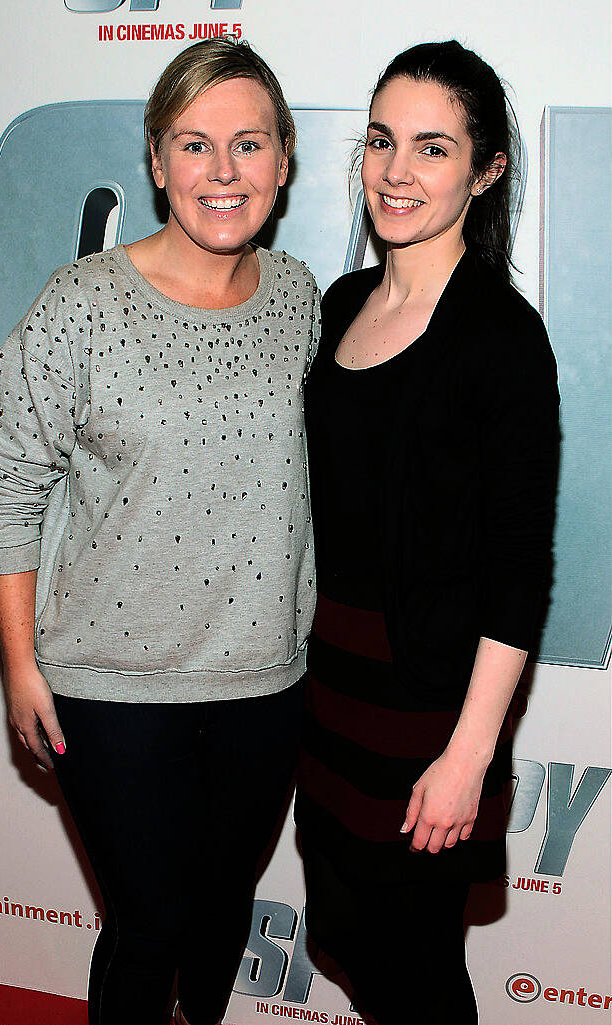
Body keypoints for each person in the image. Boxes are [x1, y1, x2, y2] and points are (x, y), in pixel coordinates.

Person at [0, 37, 319, 1025]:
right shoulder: (83, 303)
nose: (223, 171)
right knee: (151, 921)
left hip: (264, 682)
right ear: (157, 161)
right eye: (195, 144)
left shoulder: (298, 298)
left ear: (283, 160)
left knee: (218, 917)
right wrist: (19, 669)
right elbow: (5, 481)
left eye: (248, 144)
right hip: (108, 686)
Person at [295, 40, 560, 1024]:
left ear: (487, 170)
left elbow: (519, 573)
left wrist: (468, 757)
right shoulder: (343, 303)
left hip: (429, 716)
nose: (397, 172)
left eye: (433, 148)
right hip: (331, 699)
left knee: (417, 979)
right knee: (355, 947)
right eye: (381, 141)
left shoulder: (501, 337)